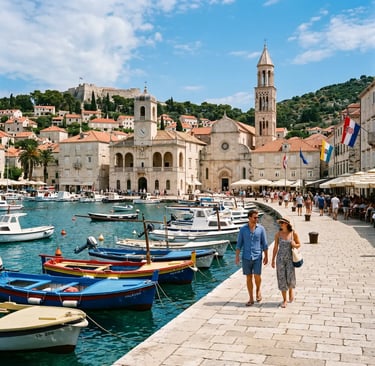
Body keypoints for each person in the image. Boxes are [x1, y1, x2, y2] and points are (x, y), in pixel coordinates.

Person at [235, 209, 268, 306]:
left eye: (257, 217)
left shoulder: (261, 229)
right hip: (246, 257)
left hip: (258, 256)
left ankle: (258, 290)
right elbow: (239, 244)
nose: (256, 219)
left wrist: (266, 256)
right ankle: (251, 298)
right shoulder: (243, 229)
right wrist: (237, 256)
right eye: (255, 217)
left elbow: (265, 244)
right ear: (249, 217)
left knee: (257, 276)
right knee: (248, 277)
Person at [271, 216, 301, 308]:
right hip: (280, 259)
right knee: (281, 278)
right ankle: (284, 300)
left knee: (290, 277)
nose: (281, 224)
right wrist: (272, 259)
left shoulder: (293, 233)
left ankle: (291, 290)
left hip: (290, 259)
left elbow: (299, 244)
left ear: (287, 224)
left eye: (282, 223)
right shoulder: (278, 234)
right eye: (280, 223)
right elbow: (275, 247)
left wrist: (294, 244)